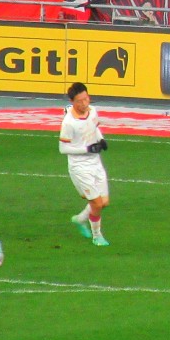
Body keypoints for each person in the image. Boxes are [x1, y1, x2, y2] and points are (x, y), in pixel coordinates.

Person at [59, 82, 111, 247]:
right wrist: (87, 148)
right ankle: (97, 236)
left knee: (104, 202)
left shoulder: (92, 111)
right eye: (80, 101)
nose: (84, 104)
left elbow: (95, 127)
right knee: (96, 203)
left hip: (95, 162)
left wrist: (101, 139)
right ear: (72, 101)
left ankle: (80, 219)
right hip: (80, 167)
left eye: (86, 99)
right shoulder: (69, 123)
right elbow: (63, 148)